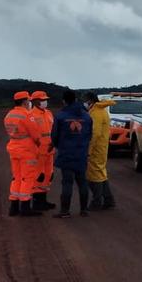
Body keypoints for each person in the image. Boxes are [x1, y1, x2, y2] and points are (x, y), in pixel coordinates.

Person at [52, 90, 92, 218]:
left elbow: (54, 136)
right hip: (81, 153)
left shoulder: (61, 116)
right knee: (82, 182)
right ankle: (84, 210)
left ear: (64, 101)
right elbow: (90, 135)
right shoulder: (87, 116)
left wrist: (60, 146)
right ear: (75, 99)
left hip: (66, 154)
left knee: (67, 182)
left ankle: (65, 211)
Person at [4, 91, 43, 217]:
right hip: (26, 151)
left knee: (17, 177)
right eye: (29, 101)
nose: (30, 103)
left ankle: (14, 207)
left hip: (13, 149)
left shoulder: (9, 115)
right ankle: (25, 207)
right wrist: (39, 144)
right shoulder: (26, 115)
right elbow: (36, 134)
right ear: (24, 101)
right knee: (28, 178)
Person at [84, 91, 117, 210]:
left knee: (95, 175)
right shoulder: (101, 111)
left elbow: (94, 134)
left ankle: (96, 201)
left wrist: (88, 151)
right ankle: (108, 200)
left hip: (97, 148)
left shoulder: (96, 113)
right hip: (101, 147)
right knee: (101, 174)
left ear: (90, 101)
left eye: (86, 101)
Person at [29, 90, 57, 210]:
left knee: (48, 175)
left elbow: (54, 130)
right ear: (35, 101)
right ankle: (36, 202)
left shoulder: (49, 113)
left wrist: (54, 143)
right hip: (38, 152)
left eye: (45, 100)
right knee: (38, 176)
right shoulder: (31, 116)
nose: (45, 102)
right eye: (42, 100)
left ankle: (43, 200)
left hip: (50, 150)